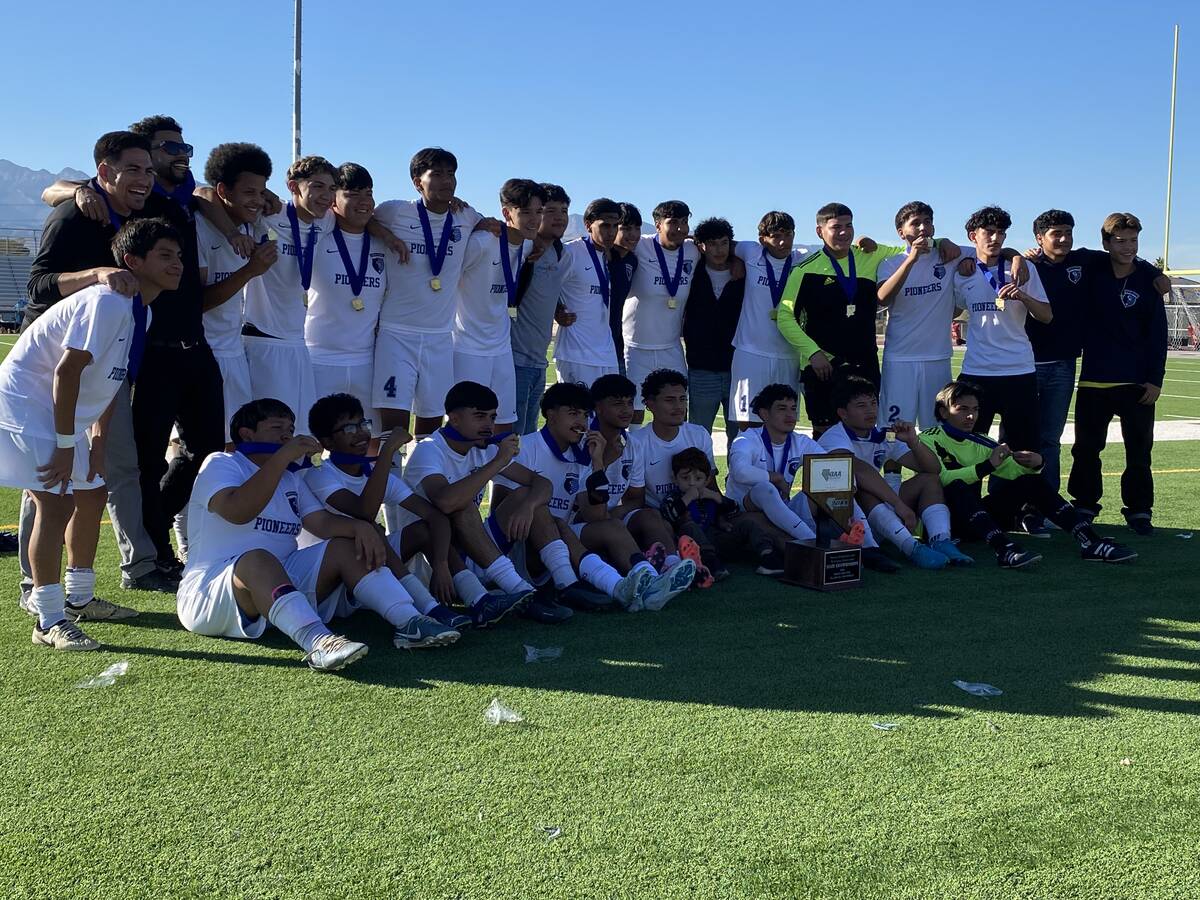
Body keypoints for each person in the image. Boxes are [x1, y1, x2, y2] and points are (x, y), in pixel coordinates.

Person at [2, 218, 182, 649]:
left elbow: (111, 381)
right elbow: (67, 372)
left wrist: (97, 443)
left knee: (93, 490)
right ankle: (47, 619)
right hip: (27, 405)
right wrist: (67, 445)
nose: (177, 264)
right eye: (164, 255)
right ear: (131, 261)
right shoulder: (108, 302)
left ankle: (78, 599)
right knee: (56, 501)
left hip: (60, 411)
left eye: (178, 256)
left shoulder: (144, 309)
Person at [178, 398, 437, 669]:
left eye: (290, 429)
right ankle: (319, 642)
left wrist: (361, 527)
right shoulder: (222, 463)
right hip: (210, 594)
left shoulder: (290, 479)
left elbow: (323, 524)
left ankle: (409, 621)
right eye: (277, 427)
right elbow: (238, 511)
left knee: (346, 543)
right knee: (258, 559)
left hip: (280, 583)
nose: (287, 435)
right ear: (247, 434)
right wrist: (282, 457)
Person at [24, 131, 173, 593]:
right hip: (56, 367)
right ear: (104, 172)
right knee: (49, 478)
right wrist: (96, 275)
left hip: (107, 360)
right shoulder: (74, 213)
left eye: (149, 171)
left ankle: (134, 567)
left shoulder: (143, 217)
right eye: (133, 169)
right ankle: (36, 585)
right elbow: (37, 287)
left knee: (111, 465)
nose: (144, 179)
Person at [495, 381, 695, 613]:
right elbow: (503, 506)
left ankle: (651, 582)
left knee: (610, 527)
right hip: (524, 542)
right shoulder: (526, 448)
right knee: (556, 521)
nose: (580, 421)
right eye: (572, 413)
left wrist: (598, 463)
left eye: (583, 414)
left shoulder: (581, 453)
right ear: (550, 415)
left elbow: (594, 515)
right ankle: (610, 585)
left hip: (564, 537)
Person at [776, 202, 960, 435]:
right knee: (825, 436)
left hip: (865, 364)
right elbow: (784, 317)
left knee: (865, 434)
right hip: (823, 367)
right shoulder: (804, 270)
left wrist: (943, 241)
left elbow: (912, 245)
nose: (844, 232)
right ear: (819, 232)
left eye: (849, 225)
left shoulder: (873, 255)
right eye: (836, 227)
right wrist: (813, 353)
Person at [304, 393, 470, 640]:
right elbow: (365, 511)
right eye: (349, 428)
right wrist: (387, 451)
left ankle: (477, 598)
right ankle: (425, 609)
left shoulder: (377, 475)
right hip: (329, 585)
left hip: (368, 574)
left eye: (363, 424)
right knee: (371, 530)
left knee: (422, 530)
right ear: (327, 441)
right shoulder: (319, 475)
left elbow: (434, 517)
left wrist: (441, 564)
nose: (361, 433)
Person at [920, 381, 1137, 567]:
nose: (970, 416)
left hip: (975, 520)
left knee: (1030, 481)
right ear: (943, 411)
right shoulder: (928, 438)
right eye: (962, 409)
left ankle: (1090, 541)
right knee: (957, 488)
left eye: (975, 410)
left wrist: (1035, 464)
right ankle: (1004, 549)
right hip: (946, 524)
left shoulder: (980, 440)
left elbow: (1011, 472)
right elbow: (943, 478)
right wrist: (988, 465)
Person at [400, 382, 546, 626]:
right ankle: (517, 588)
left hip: (469, 551)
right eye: (479, 417)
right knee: (461, 505)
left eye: (492, 417)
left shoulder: (483, 448)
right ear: (454, 419)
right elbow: (445, 502)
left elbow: (541, 483)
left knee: (524, 495)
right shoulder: (429, 450)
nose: (488, 426)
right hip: (432, 558)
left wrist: (528, 506)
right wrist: (498, 463)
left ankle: (564, 581)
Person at [1067, 213, 1170, 536]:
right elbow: (1056, 253)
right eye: (1121, 240)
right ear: (1107, 242)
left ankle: (1139, 510)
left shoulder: (1148, 281)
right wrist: (1021, 255)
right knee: (1085, 449)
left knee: (1138, 452)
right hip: (1094, 378)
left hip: (1136, 382)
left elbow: (1157, 334)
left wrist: (1155, 379)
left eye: (1134, 241)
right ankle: (1084, 504)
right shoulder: (1093, 267)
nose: (1128, 247)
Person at [372, 148, 484, 440]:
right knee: (394, 423)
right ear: (416, 181)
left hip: (439, 337)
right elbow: (362, 218)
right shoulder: (395, 211)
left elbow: (489, 226)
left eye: (451, 174)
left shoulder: (466, 215)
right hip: (397, 335)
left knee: (433, 421)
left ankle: (423, 481)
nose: (447, 181)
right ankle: (389, 481)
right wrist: (388, 237)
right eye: (437, 174)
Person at [818, 375, 974, 568]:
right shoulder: (834, 437)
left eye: (873, 403)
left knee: (929, 480)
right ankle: (912, 548)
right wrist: (899, 505)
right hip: (844, 522)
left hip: (877, 517)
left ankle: (941, 540)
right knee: (863, 487)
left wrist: (913, 441)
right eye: (861, 405)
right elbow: (859, 470)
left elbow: (933, 469)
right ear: (843, 413)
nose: (870, 410)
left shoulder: (884, 435)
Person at [724, 383, 880, 571]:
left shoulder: (801, 441)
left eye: (793, 409)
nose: (791, 415)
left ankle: (871, 549)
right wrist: (774, 477)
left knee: (836, 488)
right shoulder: (746, 439)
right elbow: (740, 472)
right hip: (745, 510)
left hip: (784, 509)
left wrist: (848, 486)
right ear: (764, 414)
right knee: (765, 488)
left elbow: (833, 468)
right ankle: (813, 544)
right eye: (782, 409)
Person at [241, 155, 338, 433]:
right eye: (317, 186)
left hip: (297, 342)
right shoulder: (267, 215)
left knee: (302, 433)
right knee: (269, 432)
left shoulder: (326, 221)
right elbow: (207, 193)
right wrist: (264, 194)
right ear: (293, 187)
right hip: (263, 340)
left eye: (331, 189)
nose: (326, 196)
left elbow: (365, 215)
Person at [952, 207, 1051, 458]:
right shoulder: (962, 270)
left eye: (1001, 233)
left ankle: (1017, 499)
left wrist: (1023, 296)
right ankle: (969, 499)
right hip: (976, 373)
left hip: (1018, 371)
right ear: (973, 236)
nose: (996, 239)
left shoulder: (1022, 269)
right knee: (968, 450)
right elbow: (951, 310)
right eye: (989, 232)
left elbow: (1046, 316)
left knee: (1022, 449)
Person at [305, 163, 394, 436]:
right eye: (353, 194)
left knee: (366, 440)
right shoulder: (319, 234)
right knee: (308, 442)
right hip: (319, 357)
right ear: (334, 198)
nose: (364, 201)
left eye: (368, 193)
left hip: (366, 360)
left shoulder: (383, 241)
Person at [196, 142, 276, 447]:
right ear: (223, 191)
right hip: (204, 353)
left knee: (235, 442)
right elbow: (199, 302)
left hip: (234, 352)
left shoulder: (255, 225)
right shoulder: (199, 227)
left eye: (262, 192)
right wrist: (249, 271)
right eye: (249, 192)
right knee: (199, 445)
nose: (257, 201)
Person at [454, 179, 545, 434]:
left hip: (501, 347)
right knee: (469, 426)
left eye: (538, 212)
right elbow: (448, 279)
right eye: (525, 212)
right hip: (468, 348)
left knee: (505, 424)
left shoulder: (527, 245)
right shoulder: (482, 242)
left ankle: (500, 474)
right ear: (507, 213)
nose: (534, 219)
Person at [588, 374, 694, 577]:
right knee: (613, 528)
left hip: (610, 517)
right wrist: (604, 460)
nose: (626, 410)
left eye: (629, 403)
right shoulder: (586, 442)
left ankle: (673, 568)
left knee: (650, 516)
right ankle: (649, 576)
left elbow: (636, 499)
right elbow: (591, 512)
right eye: (618, 404)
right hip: (581, 521)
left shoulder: (632, 443)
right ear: (598, 407)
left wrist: (614, 514)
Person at [875, 201, 961, 428]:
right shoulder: (890, 263)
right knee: (894, 427)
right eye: (916, 223)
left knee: (937, 427)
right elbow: (882, 298)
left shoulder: (948, 255)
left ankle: (933, 465)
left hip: (938, 358)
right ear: (901, 232)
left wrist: (1016, 255)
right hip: (900, 358)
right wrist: (911, 260)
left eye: (928, 222)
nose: (923, 227)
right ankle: (892, 465)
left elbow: (986, 251)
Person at [729, 212, 817, 430]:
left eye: (788, 235)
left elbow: (836, 250)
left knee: (784, 422)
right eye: (776, 236)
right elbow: (719, 244)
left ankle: (779, 465)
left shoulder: (803, 257)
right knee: (747, 422)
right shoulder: (750, 251)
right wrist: (734, 259)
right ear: (762, 239)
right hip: (750, 351)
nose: (783, 242)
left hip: (788, 354)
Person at [622, 201, 700, 417]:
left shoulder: (693, 250)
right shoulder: (640, 245)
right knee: (634, 414)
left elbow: (727, 249)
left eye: (684, 222)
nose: (679, 229)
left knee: (678, 411)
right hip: (635, 348)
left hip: (671, 348)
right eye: (673, 222)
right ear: (657, 225)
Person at [659, 448, 778, 585]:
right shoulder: (674, 498)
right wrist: (686, 499)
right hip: (689, 546)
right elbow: (667, 515)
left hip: (716, 540)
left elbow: (734, 509)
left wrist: (717, 497)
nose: (692, 483)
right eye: (685, 478)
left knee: (748, 524)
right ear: (675, 479)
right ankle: (710, 563)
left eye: (698, 478)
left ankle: (767, 555)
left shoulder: (708, 496)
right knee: (690, 526)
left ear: (707, 479)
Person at [511, 184, 570, 434]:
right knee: (512, 436)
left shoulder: (559, 252)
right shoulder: (521, 248)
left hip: (538, 360)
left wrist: (558, 308)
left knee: (530, 434)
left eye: (565, 210)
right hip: (514, 357)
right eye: (550, 210)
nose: (559, 217)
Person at [684, 217, 745, 439]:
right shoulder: (691, 271)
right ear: (702, 246)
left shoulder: (744, 272)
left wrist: (737, 256)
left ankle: (736, 476)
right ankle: (701, 475)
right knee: (698, 435)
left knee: (739, 437)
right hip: (701, 369)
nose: (719, 250)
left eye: (724, 243)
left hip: (737, 368)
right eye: (712, 244)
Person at [553, 198, 623, 386]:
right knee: (577, 414)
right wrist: (557, 309)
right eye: (605, 226)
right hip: (576, 353)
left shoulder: (608, 256)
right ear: (588, 225)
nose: (611, 232)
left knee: (609, 413)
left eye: (615, 226)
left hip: (606, 351)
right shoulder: (572, 252)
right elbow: (546, 287)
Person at [608, 202, 643, 376]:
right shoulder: (599, 257)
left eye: (637, 228)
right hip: (589, 346)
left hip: (617, 345)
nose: (634, 235)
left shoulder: (632, 260)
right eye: (626, 229)